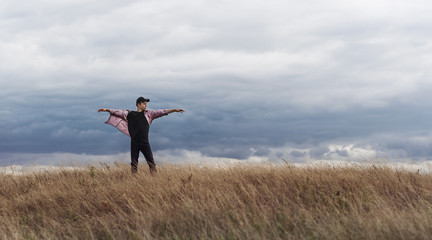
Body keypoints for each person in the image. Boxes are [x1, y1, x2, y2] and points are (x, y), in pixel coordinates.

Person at [98, 97, 184, 173]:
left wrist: (174, 110)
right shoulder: (129, 114)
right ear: (138, 104)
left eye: (146, 104)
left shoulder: (149, 114)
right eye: (144, 103)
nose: (146, 105)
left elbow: (162, 112)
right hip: (134, 142)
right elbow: (118, 112)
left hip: (145, 142)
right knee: (134, 163)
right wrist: (106, 110)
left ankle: (154, 179)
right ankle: (134, 181)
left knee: (151, 162)